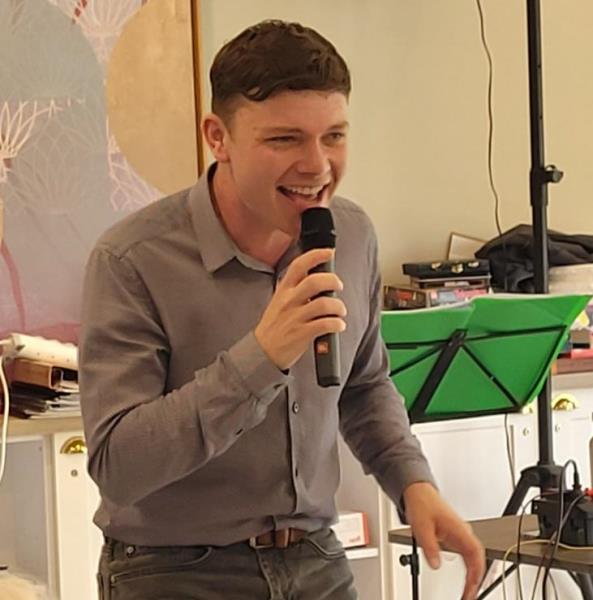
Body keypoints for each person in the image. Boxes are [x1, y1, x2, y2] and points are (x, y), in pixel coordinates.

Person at [80, 19, 485, 600]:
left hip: (316, 558)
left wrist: (413, 484)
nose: (317, 165)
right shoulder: (132, 260)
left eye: (334, 136)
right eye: (285, 140)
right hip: (173, 570)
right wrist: (261, 358)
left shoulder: (352, 233)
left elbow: (364, 386)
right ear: (217, 137)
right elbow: (119, 466)